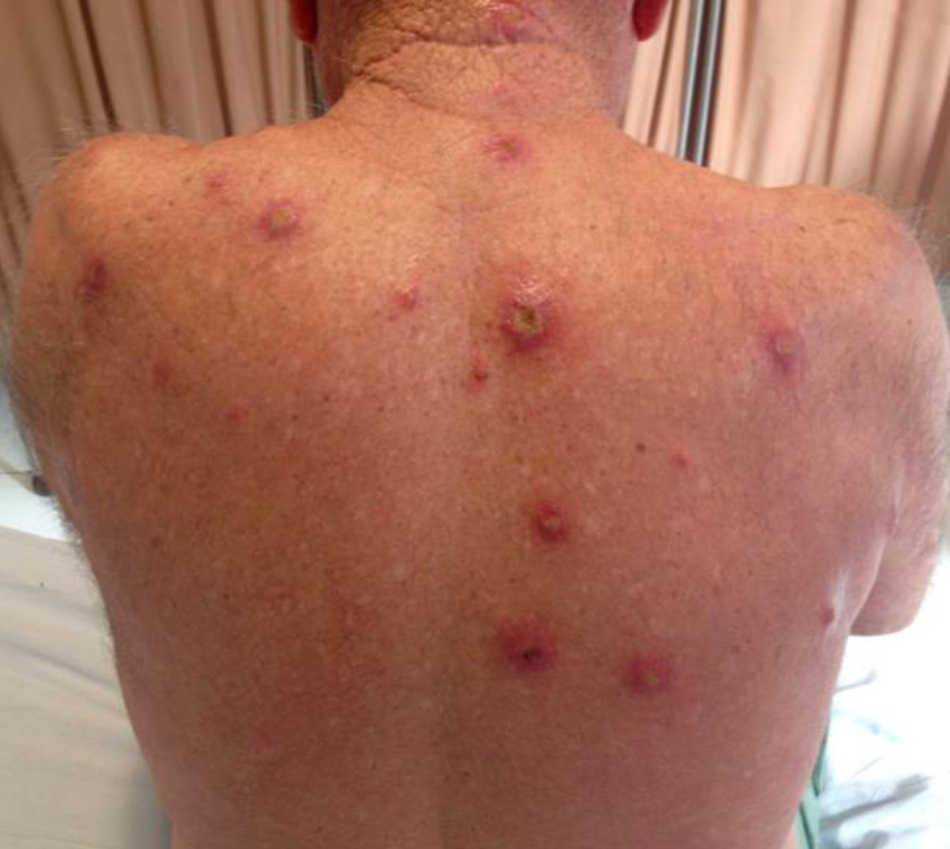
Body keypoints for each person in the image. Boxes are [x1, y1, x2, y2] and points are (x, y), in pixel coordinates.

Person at [5, 1, 948, 848]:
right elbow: (890, 607)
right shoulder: (858, 298)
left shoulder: (102, 242)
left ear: (302, 10)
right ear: (651, 9)